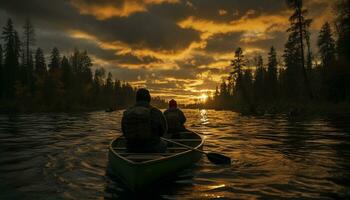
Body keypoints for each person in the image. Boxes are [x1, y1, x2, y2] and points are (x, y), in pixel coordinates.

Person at [121, 88, 167, 153]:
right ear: (149, 99)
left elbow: (124, 132)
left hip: (131, 148)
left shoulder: (127, 112)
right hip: (152, 148)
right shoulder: (156, 112)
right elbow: (162, 132)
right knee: (164, 144)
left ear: (136, 99)